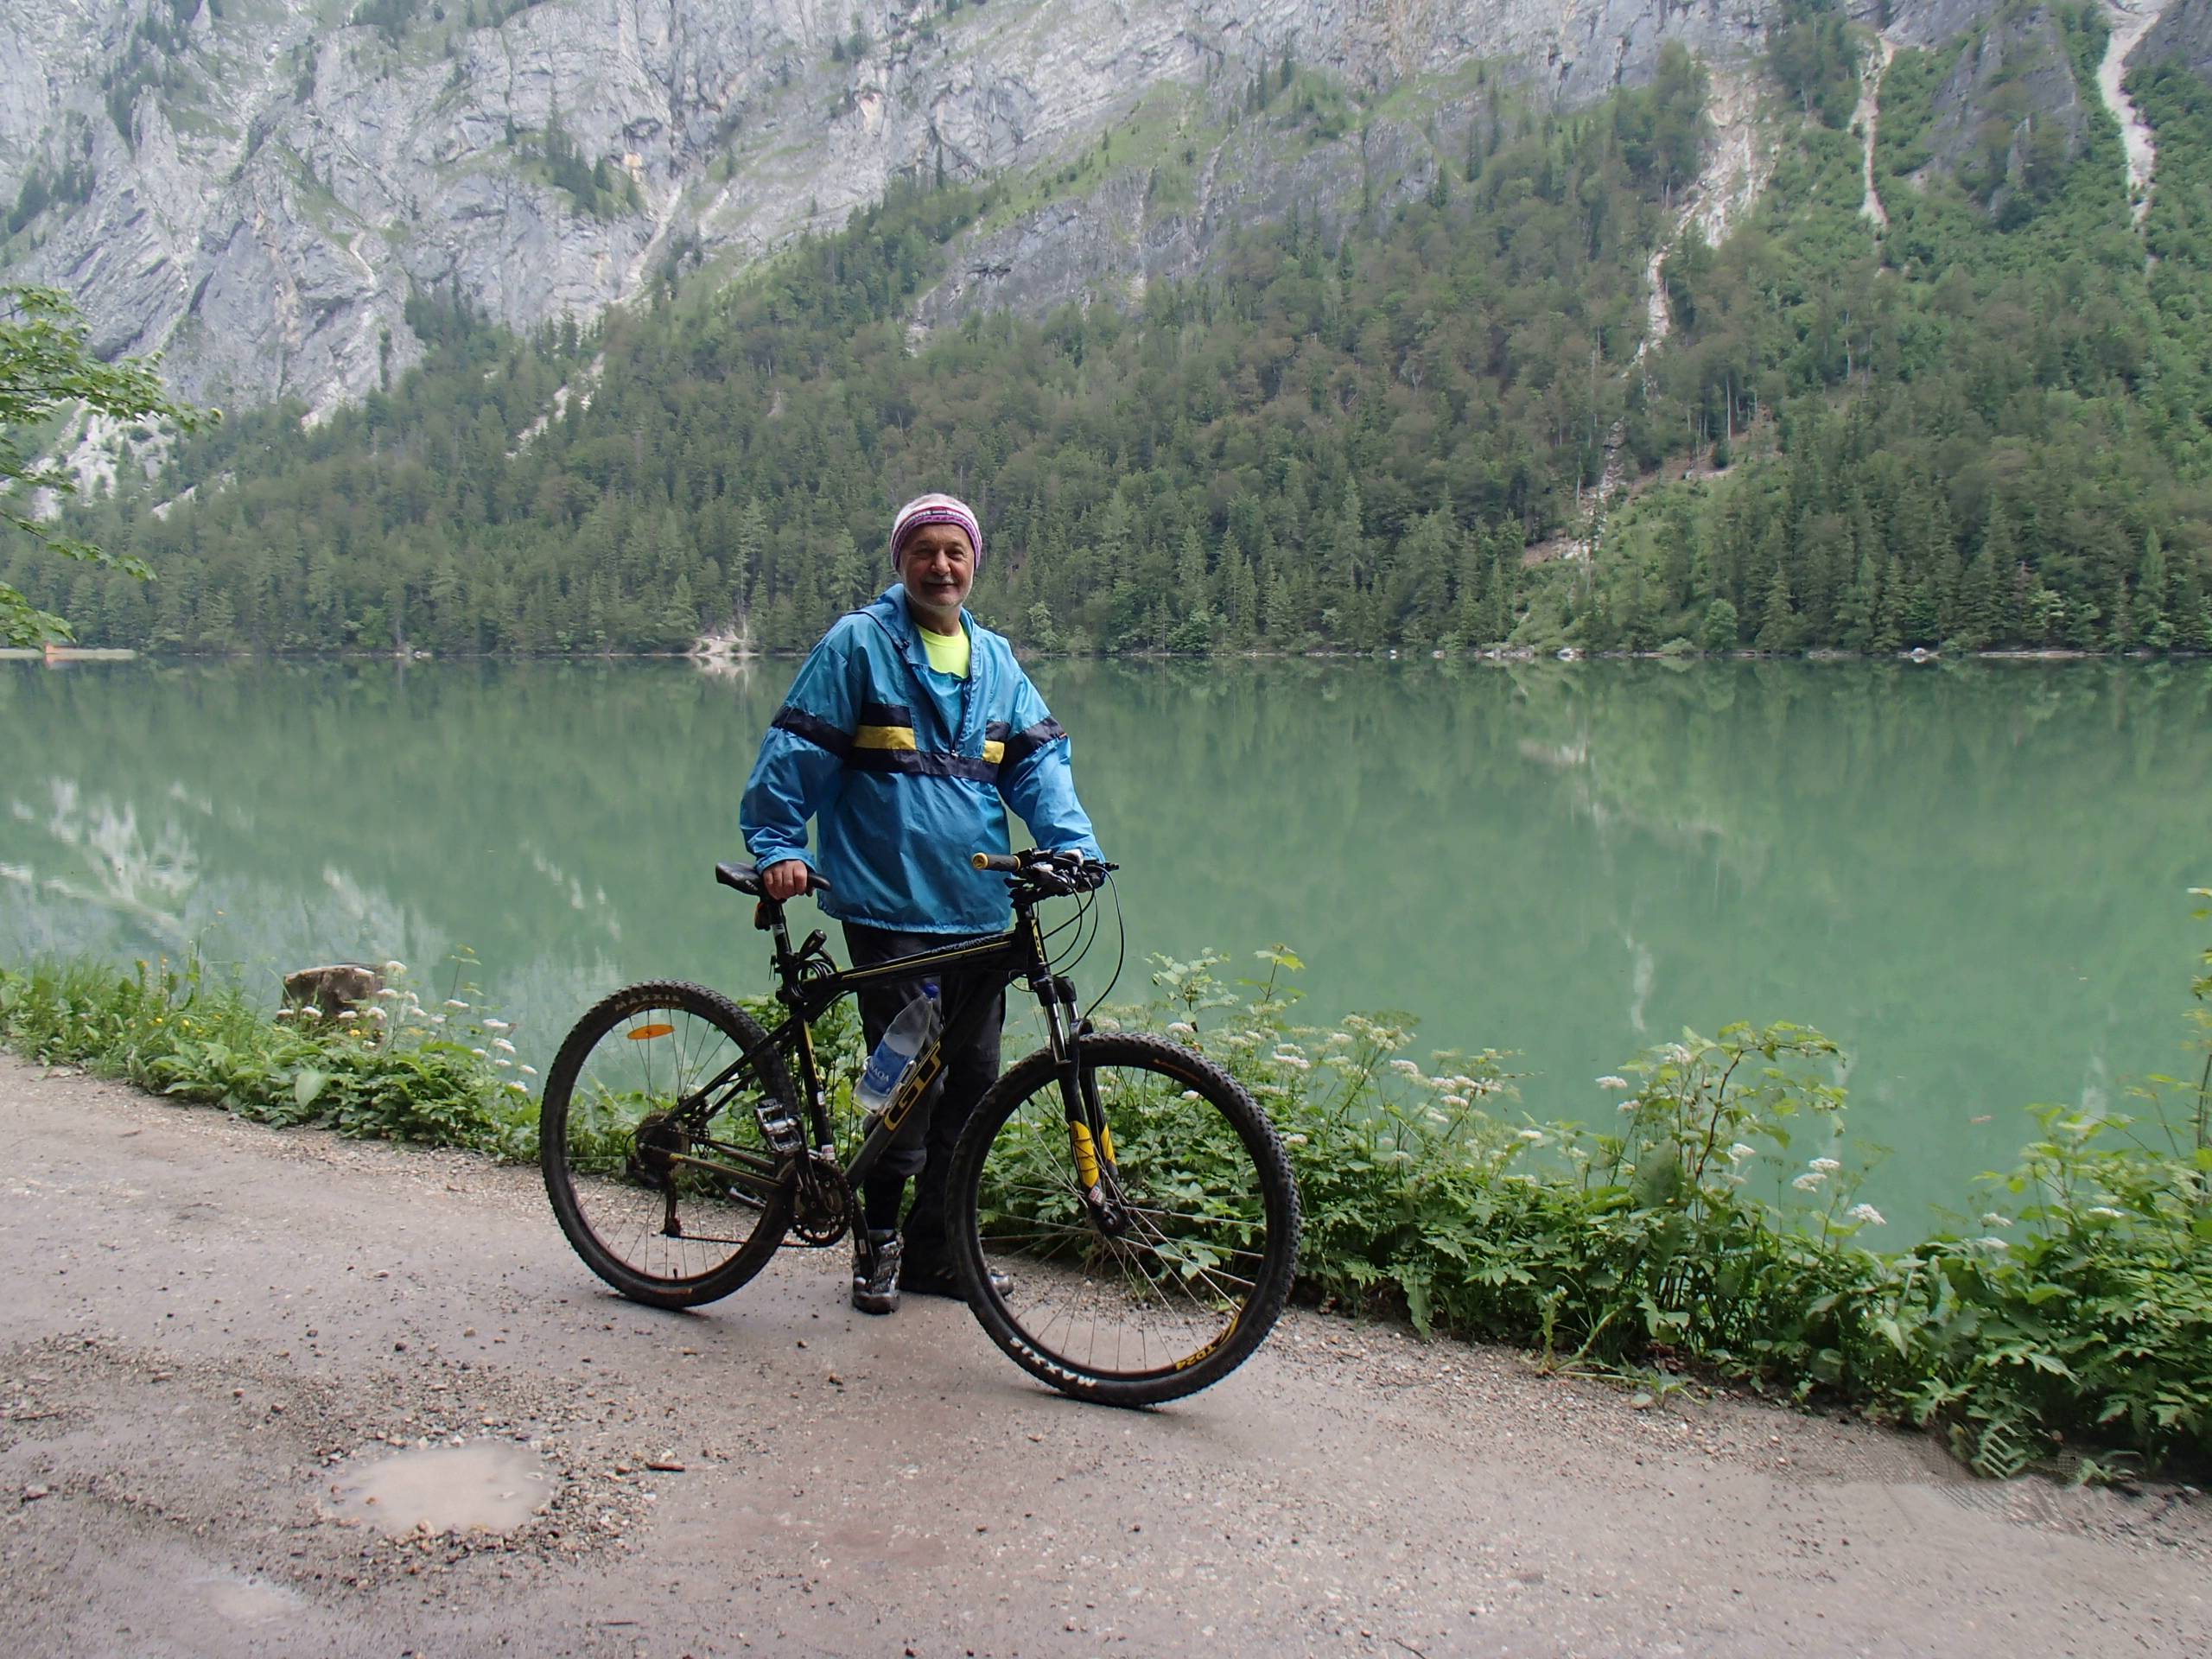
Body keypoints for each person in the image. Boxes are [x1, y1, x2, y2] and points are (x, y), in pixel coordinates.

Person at [739, 492, 1103, 1314]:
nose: (942, 565)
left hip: (977, 910)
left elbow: (1039, 766)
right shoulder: (858, 645)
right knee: (909, 1082)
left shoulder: (997, 659)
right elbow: (795, 752)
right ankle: (878, 1242)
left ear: (975, 564)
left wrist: (1073, 844)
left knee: (972, 1083)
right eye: (925, 550)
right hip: (887, 905)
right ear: (900, 562)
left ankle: (941, 1251)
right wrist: (781, 849)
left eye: (956, 552)